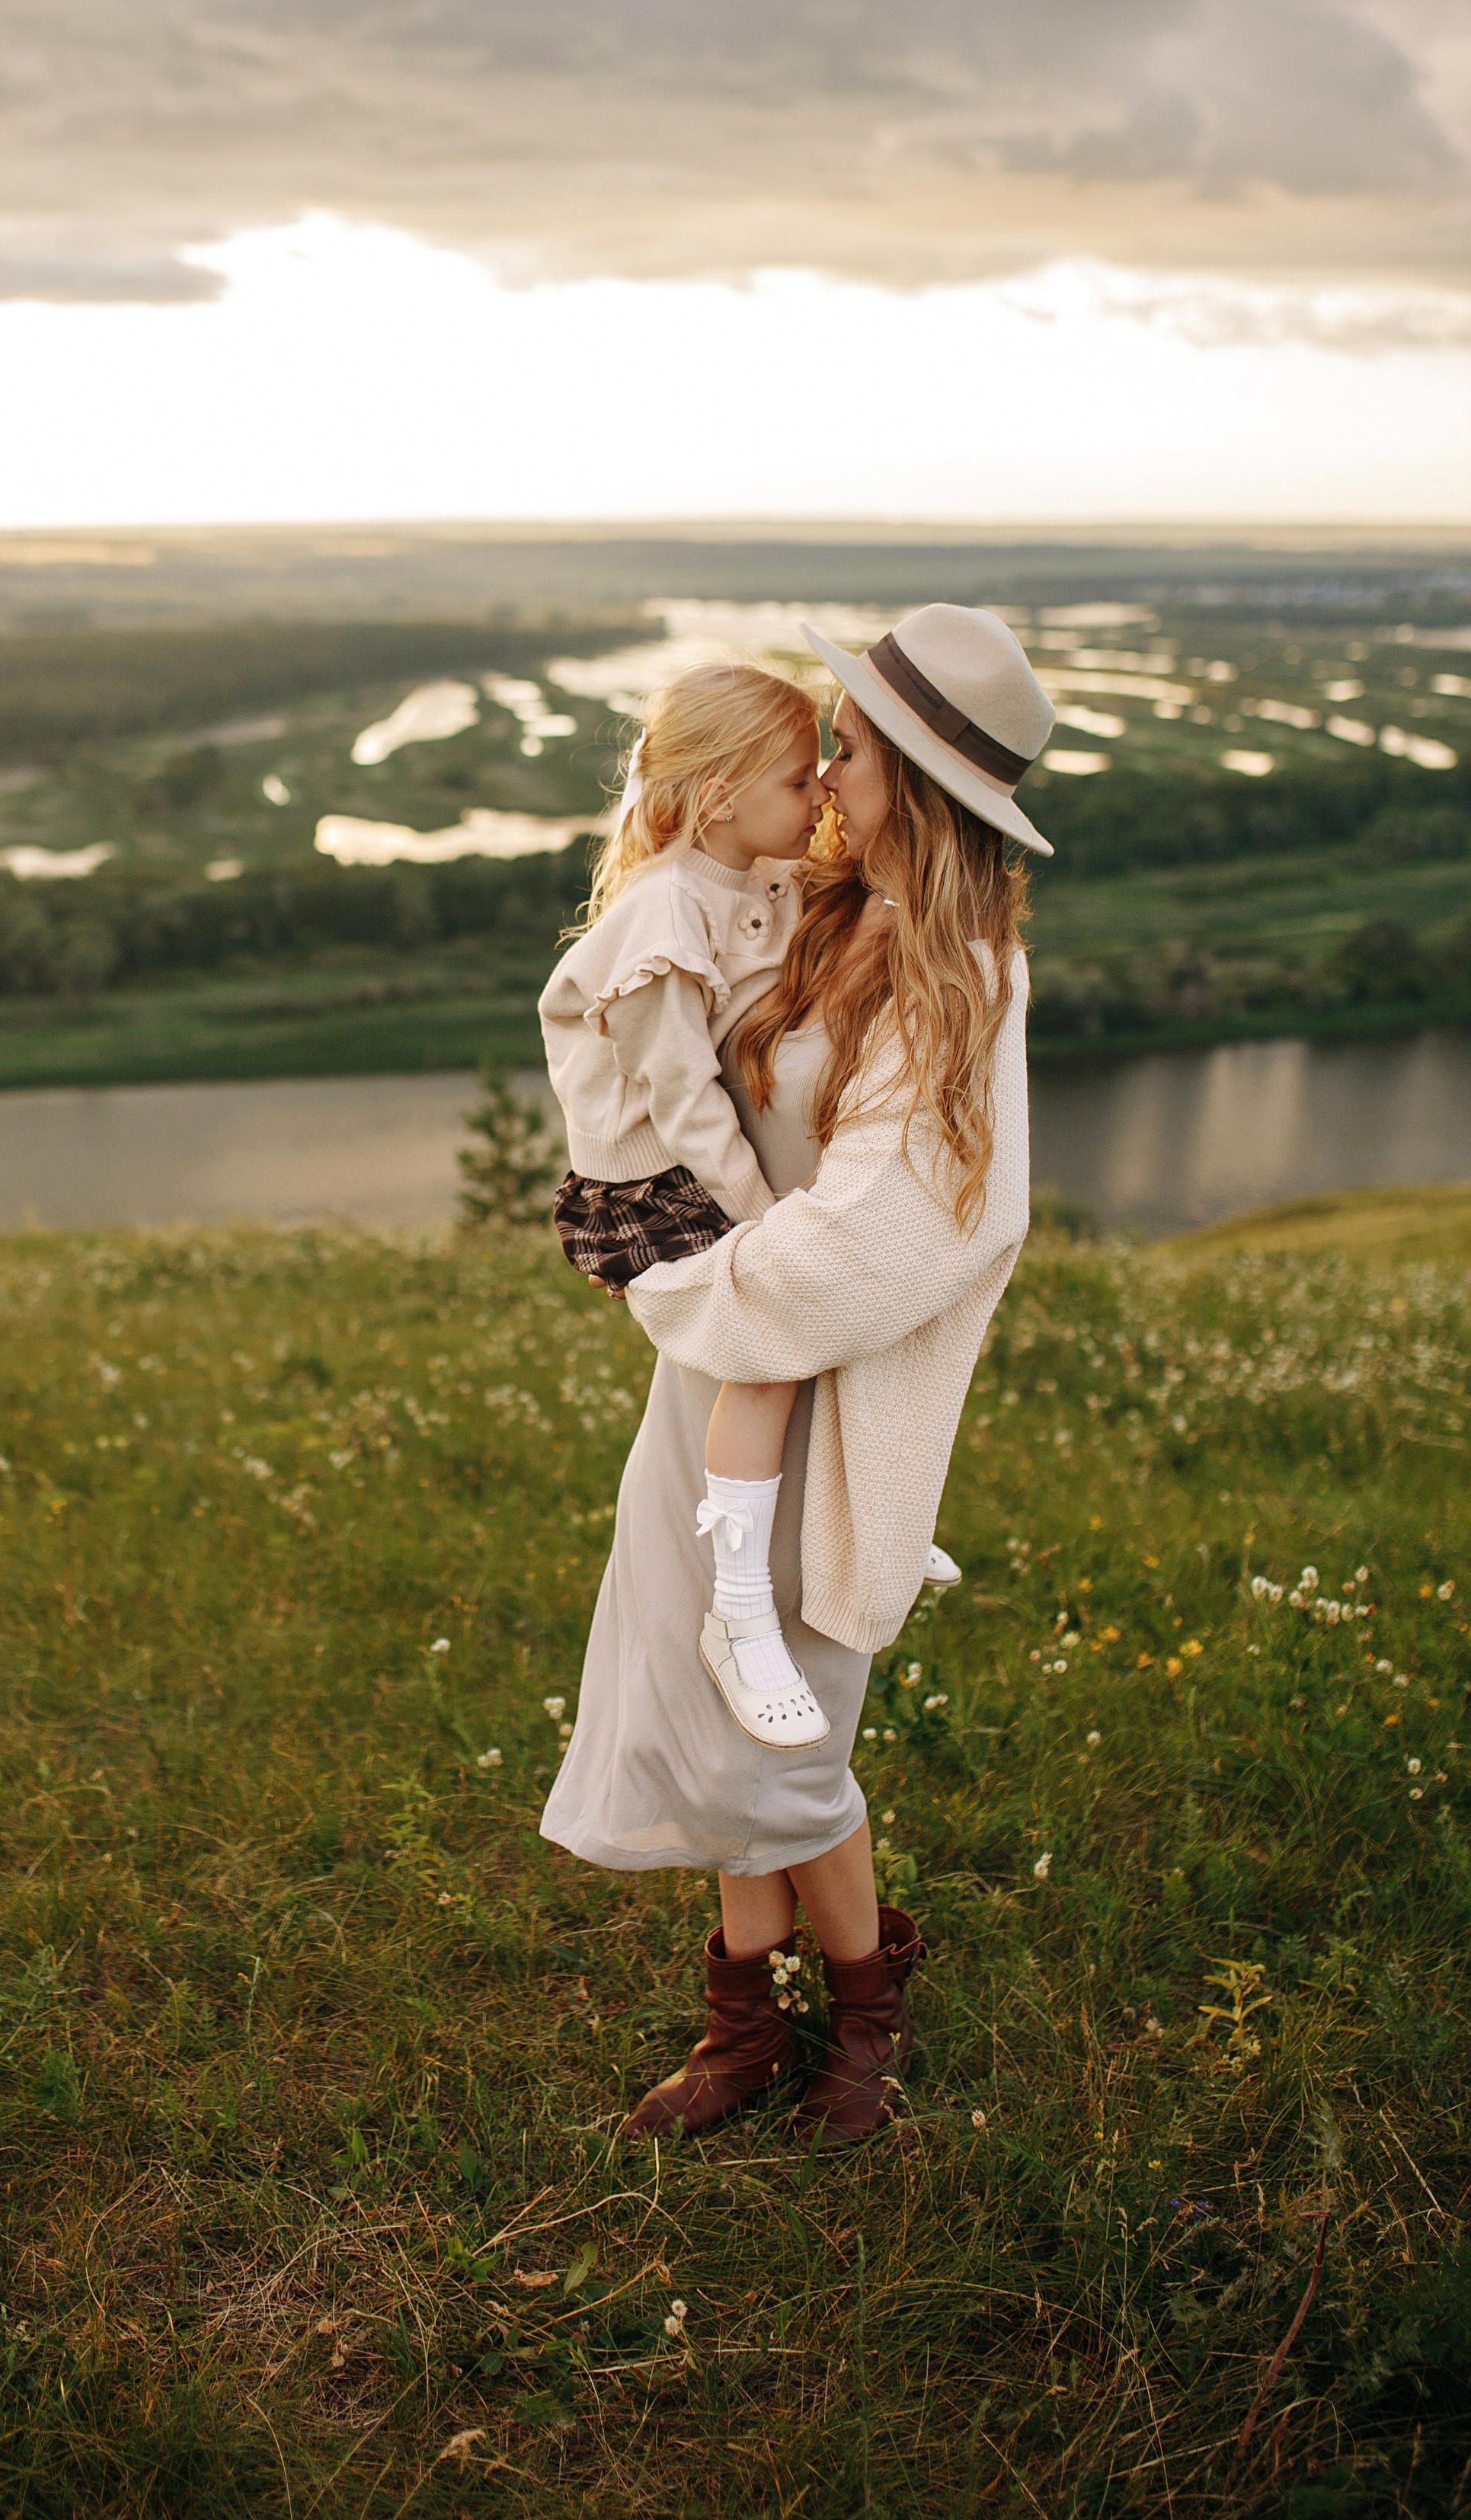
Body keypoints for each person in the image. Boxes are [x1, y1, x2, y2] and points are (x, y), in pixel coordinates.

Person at [540, 603, 1057, 2150]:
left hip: (812, 1391)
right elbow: (660, 1028)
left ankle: (866, 2024)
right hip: (710, 1373)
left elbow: (897, 1227)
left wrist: (683, 1283)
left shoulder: (961, 977)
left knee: (784, 1742)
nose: (822, 765)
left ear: (914, 775)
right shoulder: (809, 904)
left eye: (845, 743)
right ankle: (741, 2026)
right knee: (706, 1723)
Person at [540, 662, 842, 1744]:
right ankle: (743, 1613)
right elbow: (682, 1100)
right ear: (720, 795)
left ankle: (861, 1531)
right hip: (653, 1189)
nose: (822, 800)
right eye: (801, 781)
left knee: (850, 1311)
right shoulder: (664, 911)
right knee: (775, 1351)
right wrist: (767, 1226)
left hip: (704, 1168)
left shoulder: (759, 873)